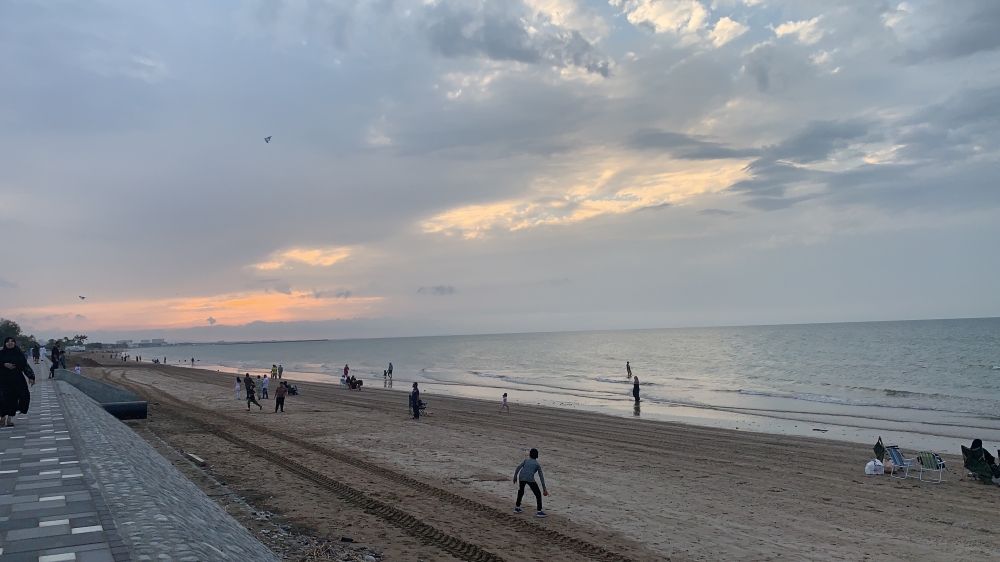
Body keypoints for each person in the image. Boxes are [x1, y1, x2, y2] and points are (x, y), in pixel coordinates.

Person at [0, 337, 35, 427]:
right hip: (3, 380)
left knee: (14, 398)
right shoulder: (1, 354)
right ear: (5, 343)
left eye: (12, 341)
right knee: (3, 398)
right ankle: (2, 417)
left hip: (16, 380)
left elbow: (25, 366)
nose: (10, 343)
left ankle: (9, 419)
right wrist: (4, 364)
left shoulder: (19, 354)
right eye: (8, 341)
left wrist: (31, 377)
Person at [513, 448, 548, 517]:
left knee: (521, 491)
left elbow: (518, 467)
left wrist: (515, 477)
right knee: (538, 494)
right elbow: (541, 477)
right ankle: (539, 511)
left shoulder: (526, 460)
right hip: (530, 478)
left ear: (530, 454)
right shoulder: (537, 464)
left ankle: (517, 507)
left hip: (521, 476)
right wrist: (544, 489)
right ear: (537, 455)